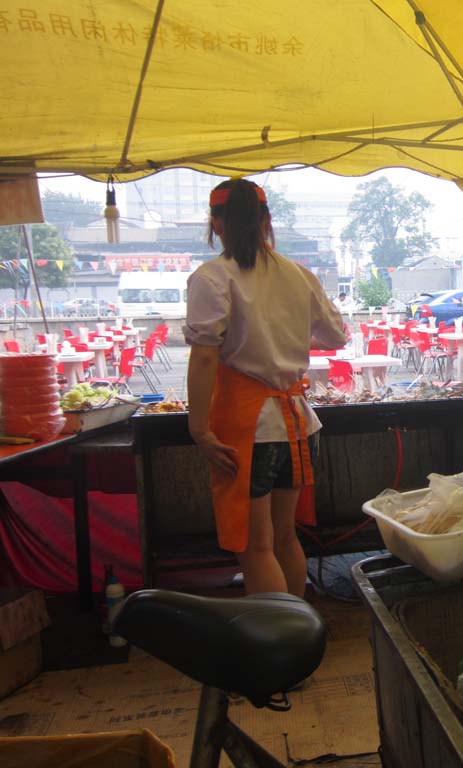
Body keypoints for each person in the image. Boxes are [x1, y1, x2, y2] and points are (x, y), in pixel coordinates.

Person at [184, 178, 348, 598]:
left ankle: (274, 646)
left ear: (215, 223)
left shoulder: (213, 277)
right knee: (284, 539)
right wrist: (284, 340)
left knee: (255, 547)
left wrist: (199, 429)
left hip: (250, 429)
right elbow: (335, 337)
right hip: (297, 425)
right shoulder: (298, 274)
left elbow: (204, 357)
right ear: (266, 220)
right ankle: (297, 633)